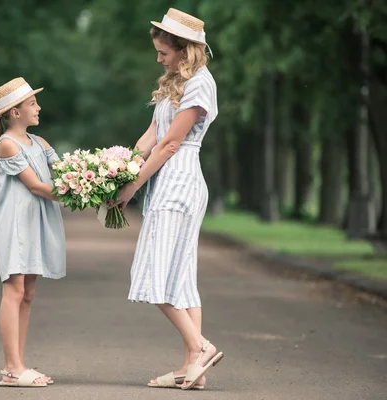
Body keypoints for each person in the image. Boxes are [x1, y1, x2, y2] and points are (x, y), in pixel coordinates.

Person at [111, 8, 223, 390]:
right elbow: (150, 138)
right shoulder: (177, 82)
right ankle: (193, 367)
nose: (158, 58)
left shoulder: (200, 84)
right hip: (167, 180)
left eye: (163, 52)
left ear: (185, 50)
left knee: (154, 276)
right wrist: (116, 168)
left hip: (178, 181)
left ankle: (200, 346)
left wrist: (132, 188)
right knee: (180, 278)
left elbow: (172, 143)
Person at [0, 77, 66, 388]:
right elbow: (38, 185)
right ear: (14, 113)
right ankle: (12, 368)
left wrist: (93, 181)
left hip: (37, 223)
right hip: (16, 226)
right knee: (13, 291)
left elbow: (67, 170)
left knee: (27, 293)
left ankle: (19, 363)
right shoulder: (7, 144)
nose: (38, 108)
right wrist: (74, 192)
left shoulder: (40, 143)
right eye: (32, 104)